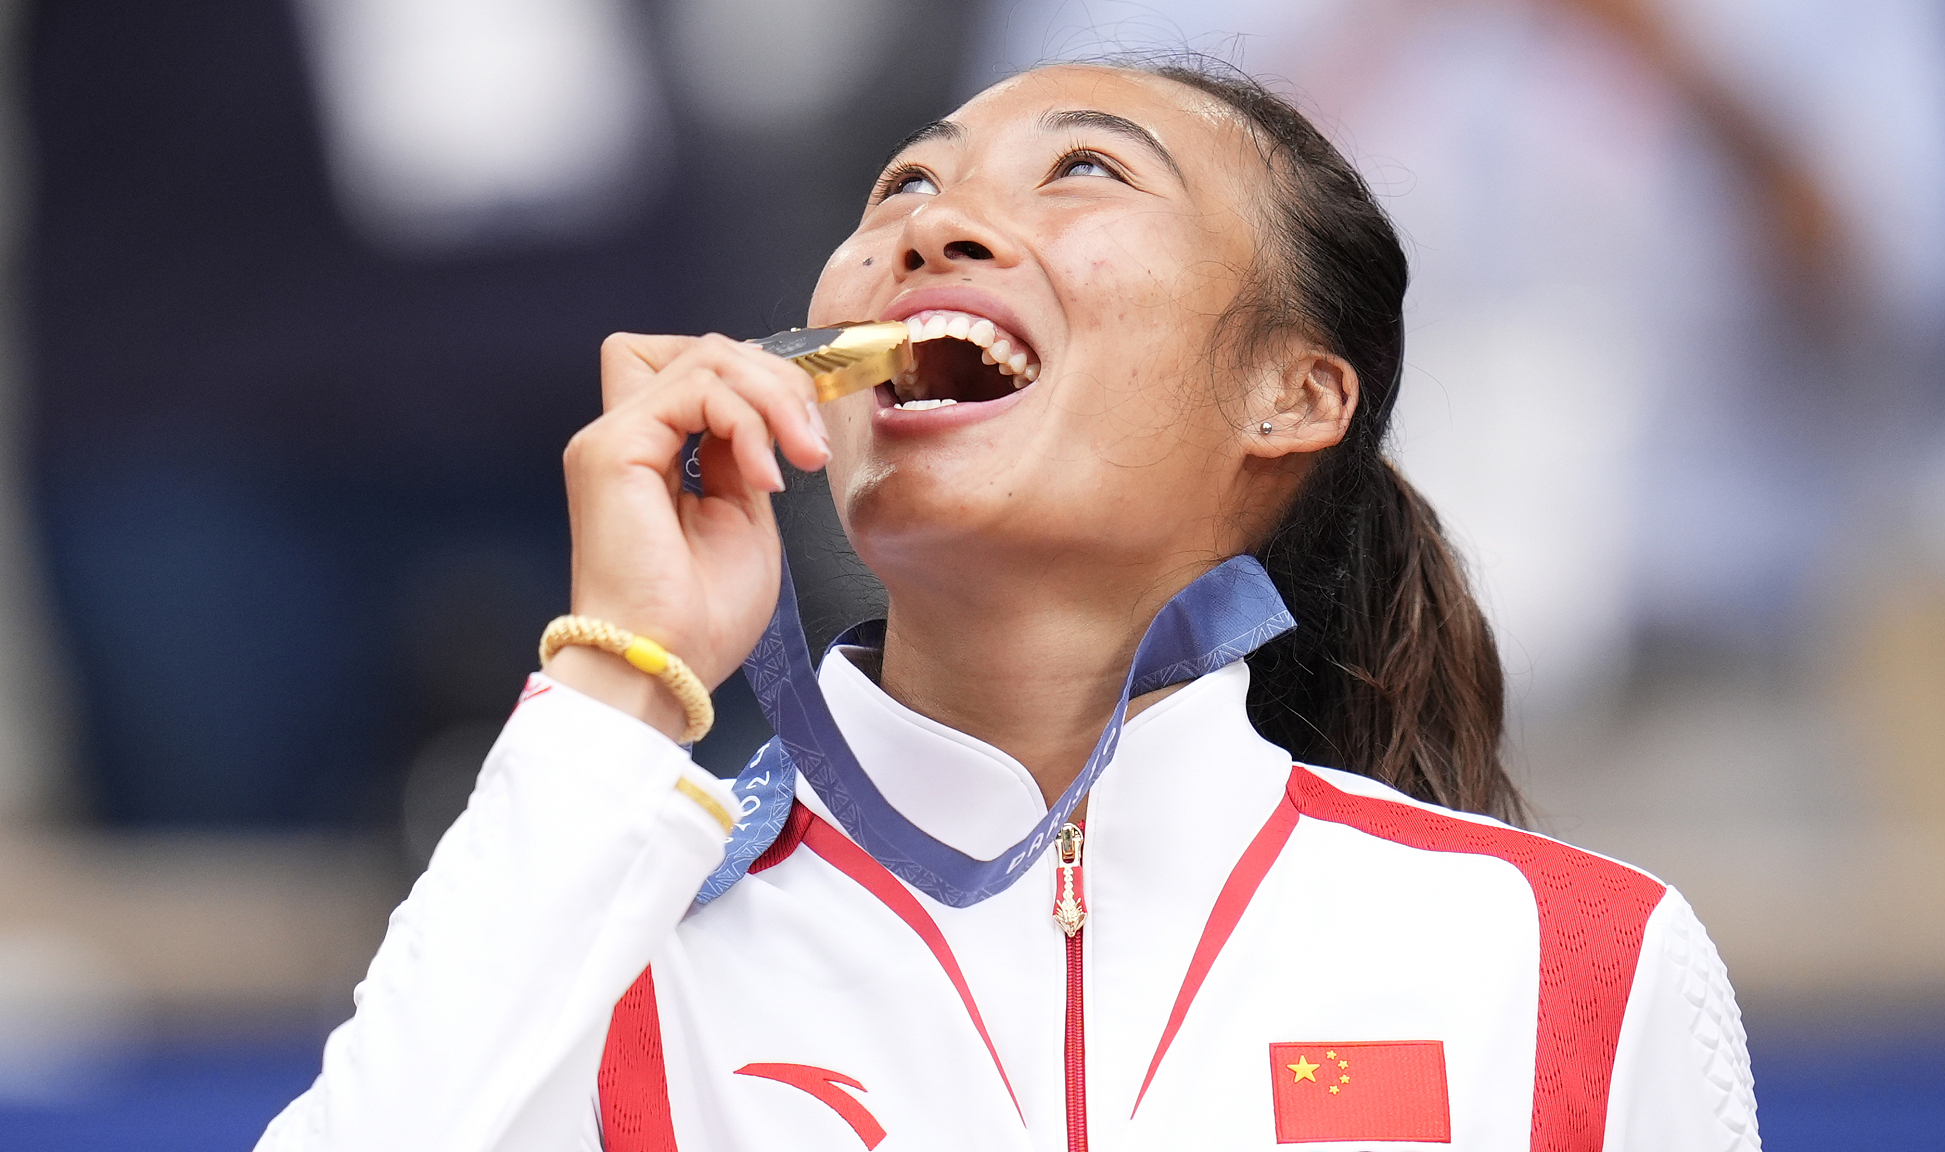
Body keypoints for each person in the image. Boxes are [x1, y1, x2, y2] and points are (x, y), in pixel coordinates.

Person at [257, 60, 1758, 1151]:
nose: (933, 228)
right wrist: (626, 683)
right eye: (902, 186)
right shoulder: (612, 936)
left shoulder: (1569, 960)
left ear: (1295, 392)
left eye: (1087, 172)